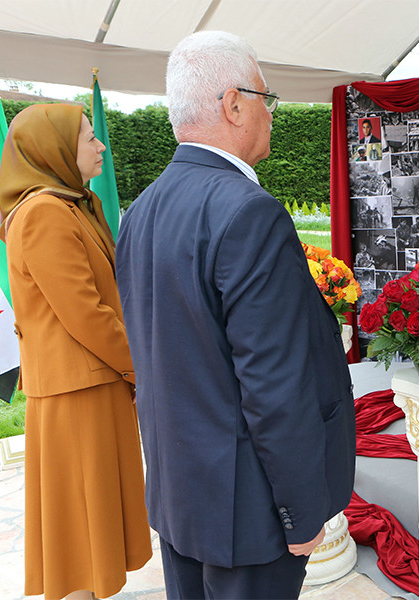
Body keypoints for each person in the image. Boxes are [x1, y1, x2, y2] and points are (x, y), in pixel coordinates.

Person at [115, 31, 355, 599]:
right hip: (247, 511)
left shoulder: (142, 208)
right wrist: (301, 511)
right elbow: (274, 383)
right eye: (266, 100)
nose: (271, 116)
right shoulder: (250, 212)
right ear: (233, 104)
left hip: (183, 496)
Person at [0, 103, 152, 600]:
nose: (100, 144)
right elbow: (84, 312)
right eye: (90, 137)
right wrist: (142, 365)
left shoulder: (67, 203)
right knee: (81, 531)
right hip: (77, 390)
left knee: (88, 526)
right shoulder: (44, 212)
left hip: (90, 382)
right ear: (56, 149)